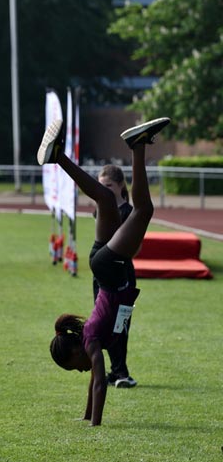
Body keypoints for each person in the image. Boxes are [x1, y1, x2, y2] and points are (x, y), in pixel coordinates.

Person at [41, 117, 169, 426]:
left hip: (108, 269)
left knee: (143, 211)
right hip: (103, 264)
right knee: (104, 199)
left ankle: (137, 147)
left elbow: (99, 383)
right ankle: (57, 156)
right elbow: (93, 382)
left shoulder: (92, 343)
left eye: (75, 366)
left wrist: (95, 424)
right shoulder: (88, 340)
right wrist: (85, 417)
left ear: (76, 351)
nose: (83, 371)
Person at [91, 164, 138, 388]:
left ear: (120, 185)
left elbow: (132, 249)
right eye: (101, 186)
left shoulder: (129, 212)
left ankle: (121, 372)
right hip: (101, 276)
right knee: (103, 322)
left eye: (109, 186)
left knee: (121, 324)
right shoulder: (99, 208)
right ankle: (114, 371)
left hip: (122, 275)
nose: (105, 190)